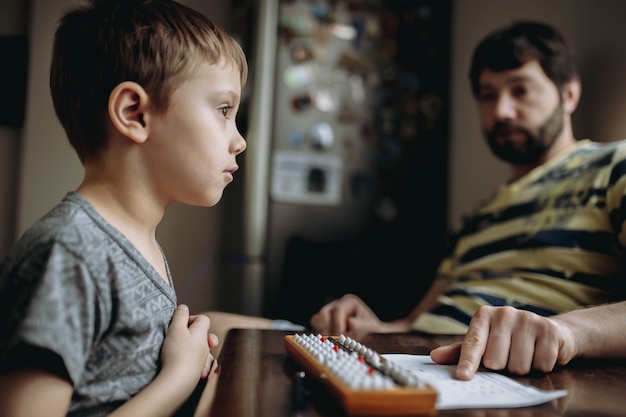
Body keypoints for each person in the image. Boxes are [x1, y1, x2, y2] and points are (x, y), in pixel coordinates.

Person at [207, 20, 626, 379]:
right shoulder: (478, 218)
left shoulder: (614, 166)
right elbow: (412, 322)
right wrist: (371, 323)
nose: (502, 111)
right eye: (487, 94)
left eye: (521, 90)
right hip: (414, 356)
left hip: (487, 372)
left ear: (569, 94)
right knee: (209, 326)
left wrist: (568, 333)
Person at [0, 1, 247, 416]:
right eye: (224, 110)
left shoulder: (131, 243)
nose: (238, 141)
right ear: (134, 113)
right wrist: (177, 379)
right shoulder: (69, 255)